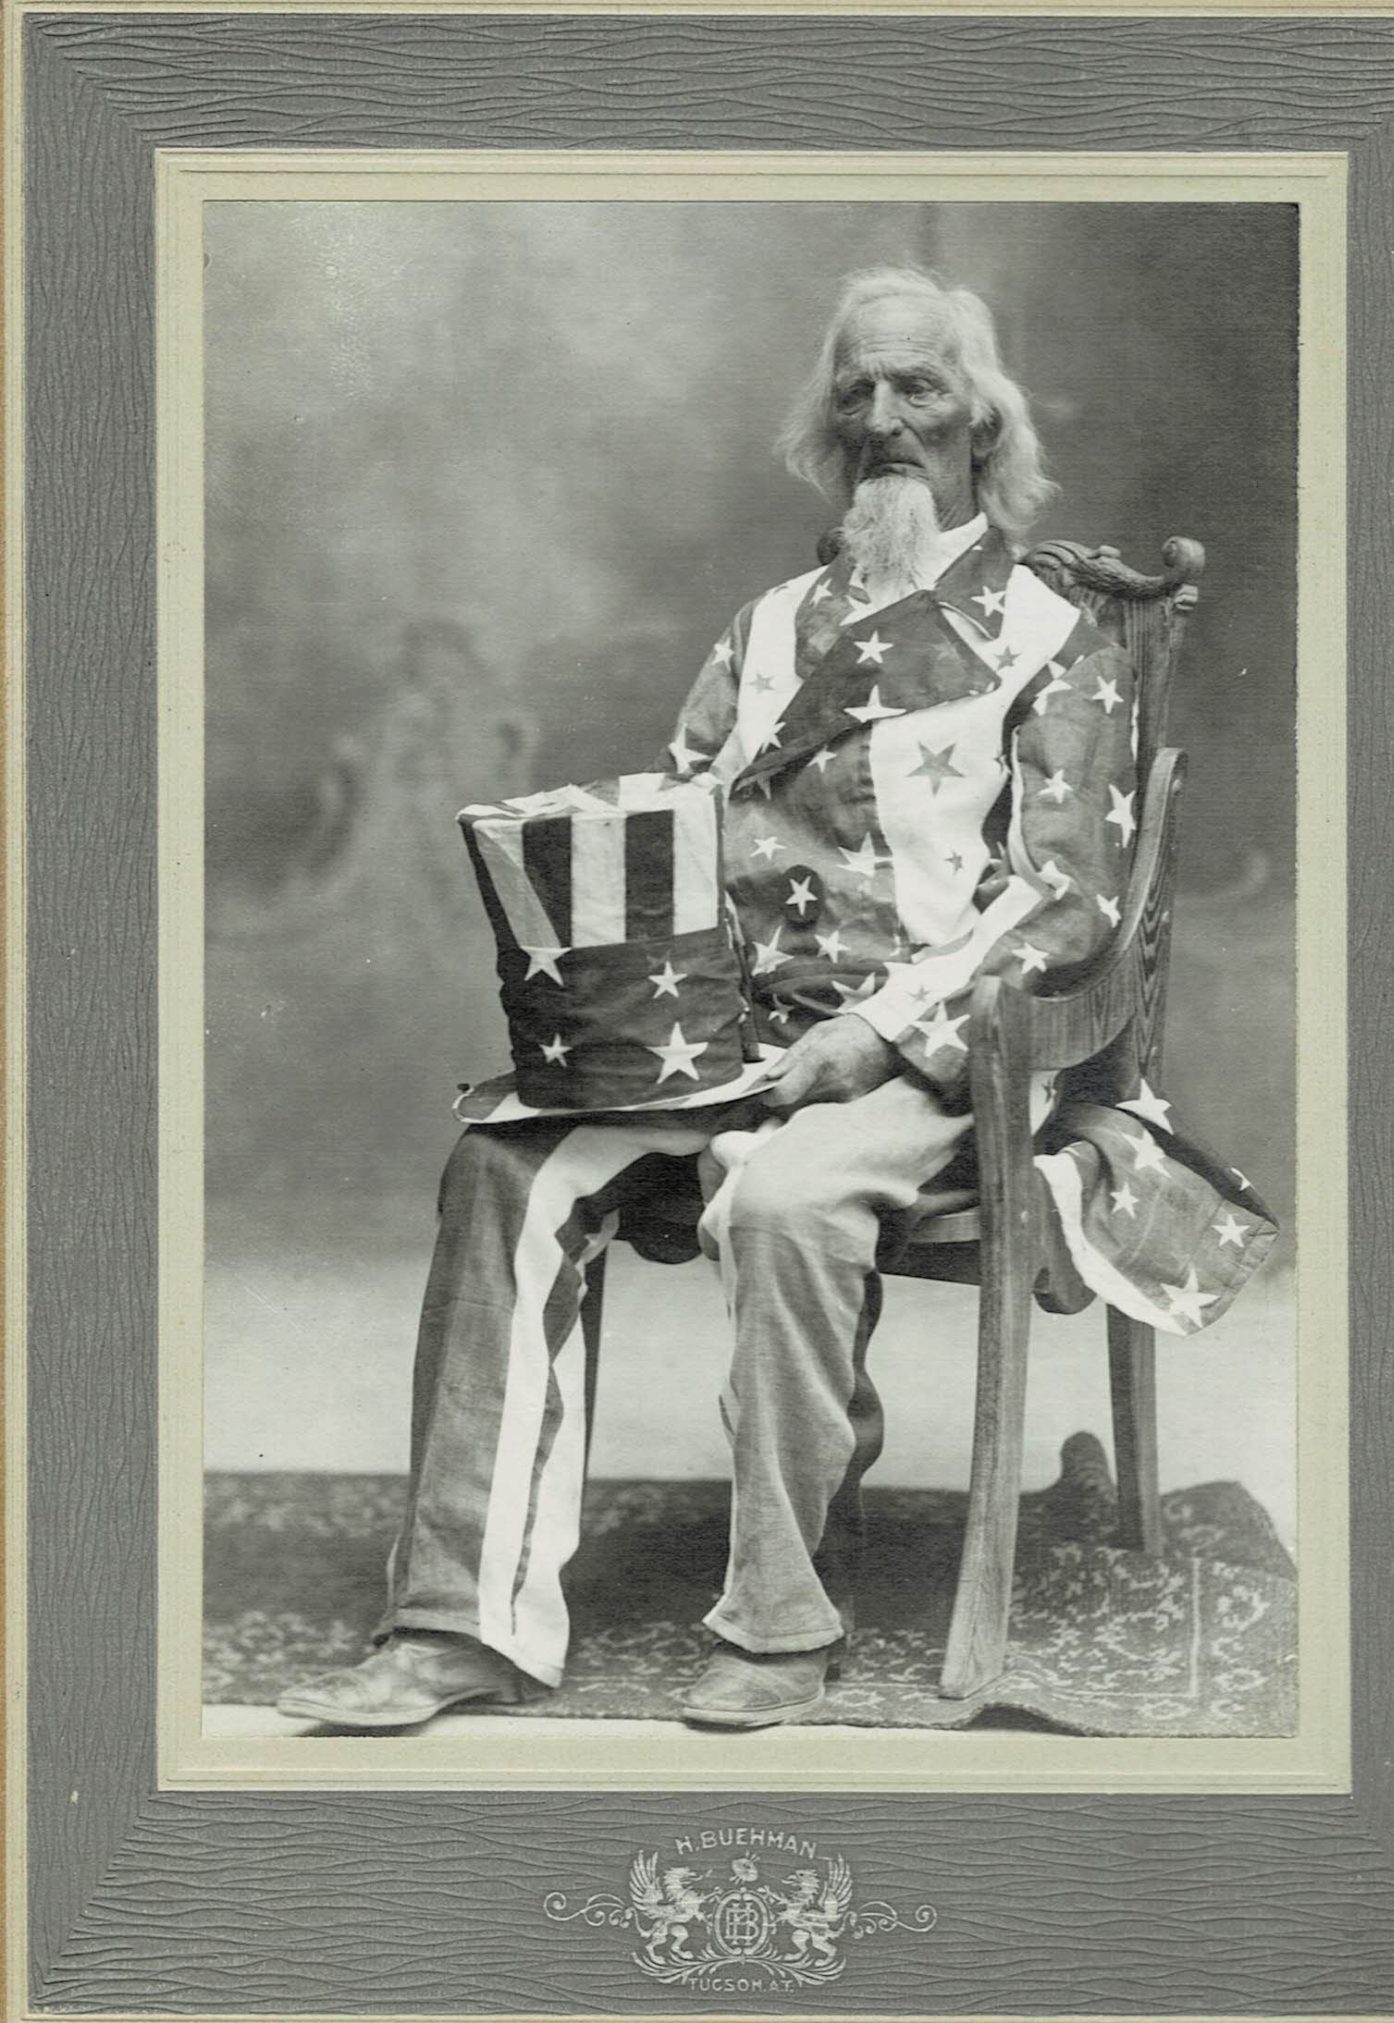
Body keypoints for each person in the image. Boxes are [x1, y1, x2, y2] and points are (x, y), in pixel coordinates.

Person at [277, 266, 1273, 1734]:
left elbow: (1069, 902)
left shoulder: (1055, 638)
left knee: (786, 1206)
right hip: (724, 1036)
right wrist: (592, 934)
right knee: (502, 1165)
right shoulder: (763, 632)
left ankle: (781, 1620)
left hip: (926, 1055)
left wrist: (880, 1034)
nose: (885, 420)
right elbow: (676, 831)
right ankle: (456, 1624)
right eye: (857, 392)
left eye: (918, 389)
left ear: (981, 424)